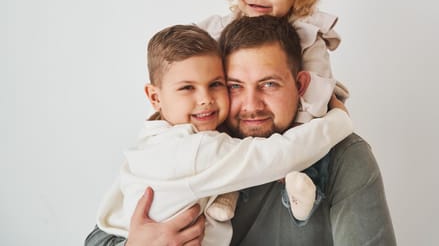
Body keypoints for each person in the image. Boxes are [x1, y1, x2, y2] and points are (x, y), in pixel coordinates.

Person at [85, 15, 396, 246]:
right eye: (234, 86)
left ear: (300, 85)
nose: (251, 105)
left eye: (269, 84)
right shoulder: (191, 143)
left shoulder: (342, 155)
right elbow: (99, 236)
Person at [198, 0, 349, 223]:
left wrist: (295, 140)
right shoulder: (225, 27)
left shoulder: (307, 34)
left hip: (301, 113)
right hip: (239, 123)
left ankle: (301, 188)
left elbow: (316, 88)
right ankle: (224, 193)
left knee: (315, 143)